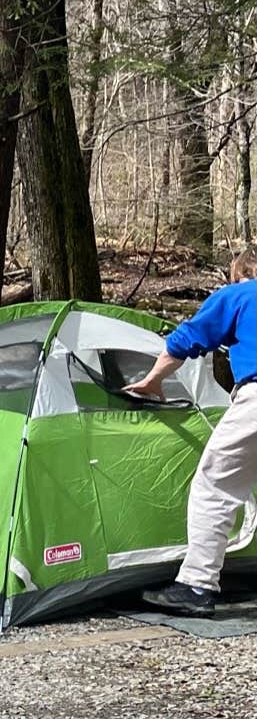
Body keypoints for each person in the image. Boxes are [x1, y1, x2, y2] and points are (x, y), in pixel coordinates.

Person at [129, 251, 257, 616]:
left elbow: (188, 337)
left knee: (215, 486)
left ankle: (197, 586)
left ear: (239, 274)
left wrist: (153, 379)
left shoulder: (240, 295)